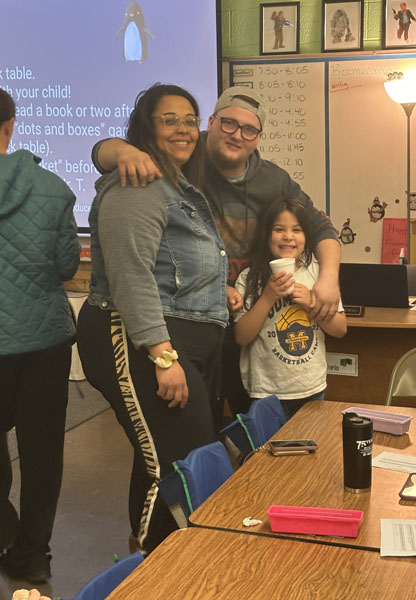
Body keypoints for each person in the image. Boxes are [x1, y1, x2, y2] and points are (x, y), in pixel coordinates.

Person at [91, 85, 341, 415]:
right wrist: (124, 153)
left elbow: (320, 227)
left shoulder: (273, 180)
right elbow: (101, 153)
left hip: (246, 315)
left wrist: (329, 279)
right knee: (190, 421)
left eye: (249, 129)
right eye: (228, 123)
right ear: (210, 121)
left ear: (259, 136)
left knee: (245, 420)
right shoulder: (181, 156)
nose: (237, 135)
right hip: (184, 319)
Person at [76, 84, 228, 554]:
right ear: (147, 127)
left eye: (189, 119)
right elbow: (131, 275)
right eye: (169, 119)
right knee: (175, 460)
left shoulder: (176, 185)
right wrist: (163, 356)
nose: (183, 128)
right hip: (136, 340)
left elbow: (178, 265)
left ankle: (164, 562)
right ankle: (150, 570)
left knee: (166, 456)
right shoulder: (138, 184)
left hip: (176, 333)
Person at [0, 89, 80, 584]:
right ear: (10, 125)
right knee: (42, 451)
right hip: (45, 343)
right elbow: (68, 265)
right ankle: (31, 554)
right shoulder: (51, 187)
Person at [234, 197, 347, 419]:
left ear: (307, 237)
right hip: (266, 392)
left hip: (310, 388)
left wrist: (312, 302)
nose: (288, 236)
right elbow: (241, 336)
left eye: (297, 229)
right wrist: (267, 297)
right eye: (279, 229)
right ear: (267, 235)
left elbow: (340, 329)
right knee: (266, 452)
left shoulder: (318, 274)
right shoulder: (249, 278)